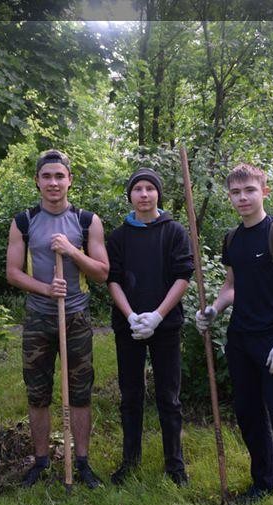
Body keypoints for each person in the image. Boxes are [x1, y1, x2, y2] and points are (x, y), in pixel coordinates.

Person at [195, 163, 273, 505]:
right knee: (247, 414)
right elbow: (231, 286)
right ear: (229, 196)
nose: (242, 198)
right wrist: (213, 309)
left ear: (264, 191)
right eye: (235, 192)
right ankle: (264, 481)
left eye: (249, 191)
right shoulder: (232, 239)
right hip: (240, 339)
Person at [6, 149, 109, 489]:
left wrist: (72, 251)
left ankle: (81, 462)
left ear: (70, 180)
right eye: (47, 176)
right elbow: (12, 273)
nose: (53, 182)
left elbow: (102, 273)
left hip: (76, 316)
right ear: (37, 181)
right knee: (37, 393)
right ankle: (40, 461)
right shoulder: (23, 221)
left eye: (59, 176)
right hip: (38, 318)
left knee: (79, 392)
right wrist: (47, 290)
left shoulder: (86, 221)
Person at [106, 168, 194, 486]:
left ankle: (175, 465)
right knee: (130, 395)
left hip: (166, 326)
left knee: (168, 397)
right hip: (128, 327)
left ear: (158, 193)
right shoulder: (118, 236)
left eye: (149, 189)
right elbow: (112, 280)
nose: (144, 194)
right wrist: (131, 316)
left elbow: (183, 276)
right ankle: (130, 461)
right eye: (138, 189)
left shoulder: (174, 232)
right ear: (130, 195)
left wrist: (157, 315)